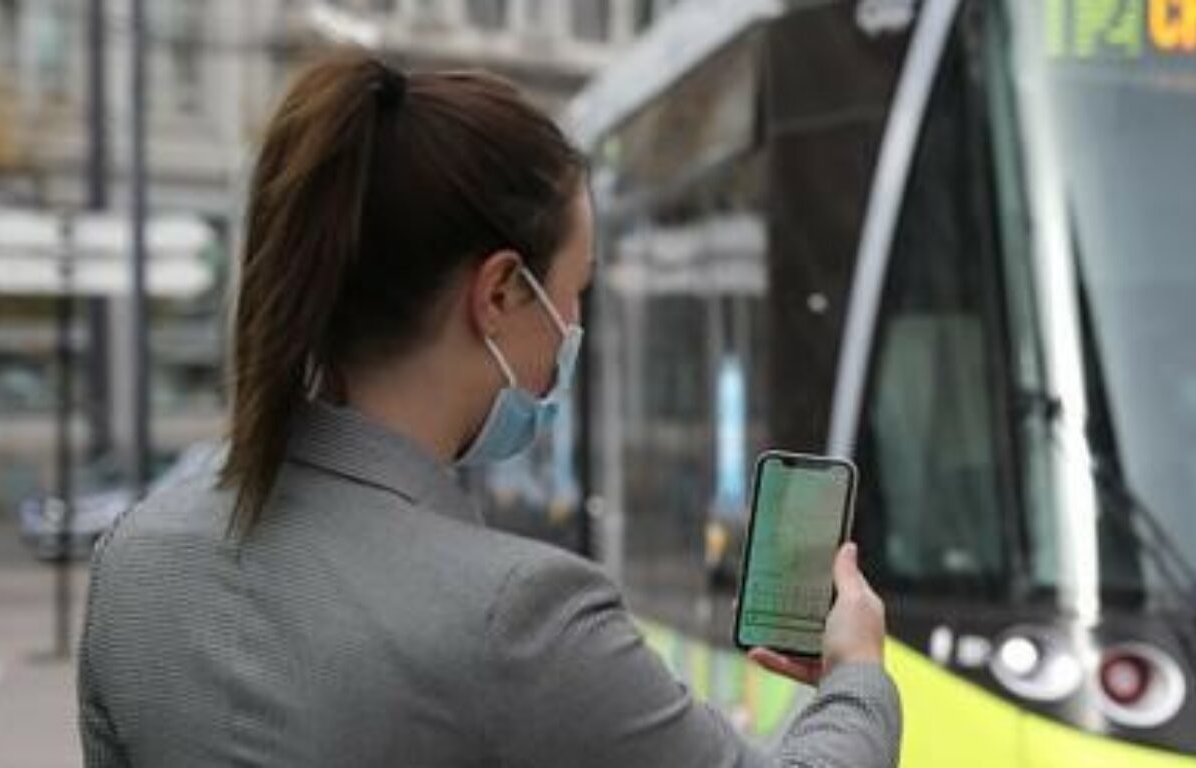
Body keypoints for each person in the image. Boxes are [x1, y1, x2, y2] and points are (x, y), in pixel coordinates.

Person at [78, 53, 901, 767]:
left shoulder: (136, 562)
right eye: (575, 295)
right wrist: (857, 673)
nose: (574, 331)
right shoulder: (521, 616)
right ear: (501, 293)